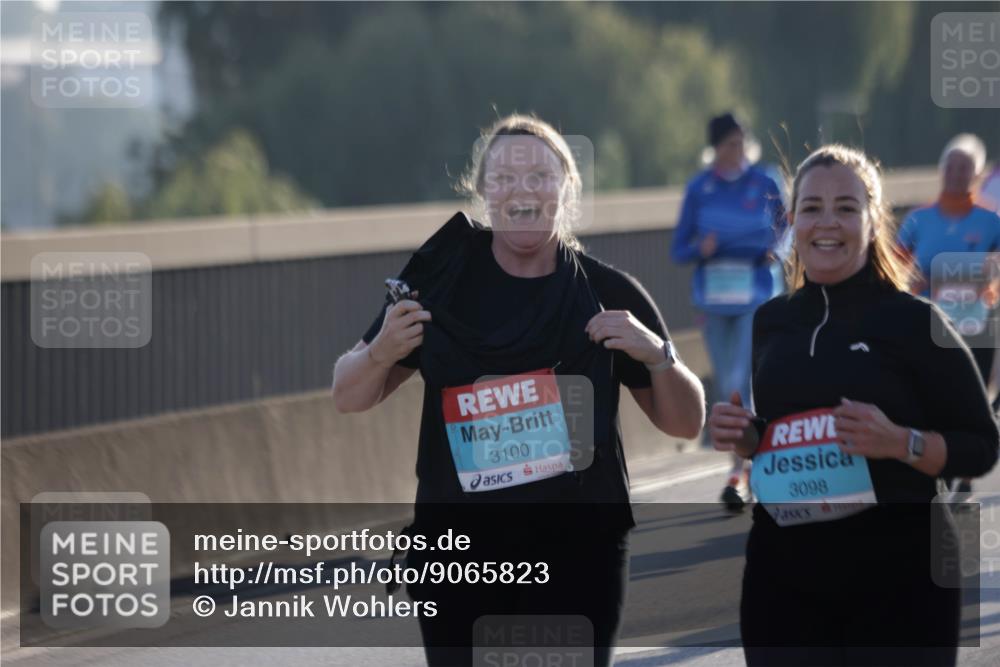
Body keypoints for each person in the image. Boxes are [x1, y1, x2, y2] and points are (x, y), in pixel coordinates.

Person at [332, 114, 705, 667]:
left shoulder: (604, 292)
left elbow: (686, 422)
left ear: (566, 190)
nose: (521, 189)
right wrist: (380, 350)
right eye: (504, 177)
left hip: (578, 554)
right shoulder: (440, 284)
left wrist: (658, 355)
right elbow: (347, 393)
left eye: (539, 175)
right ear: (482, 192)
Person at [708, 144, 998, 666]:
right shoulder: (771, 320)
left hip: (902, 579)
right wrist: (751, 436)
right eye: (812, 207)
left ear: (873, 221)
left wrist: (901, 442)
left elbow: (981, 447)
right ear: (792, 221)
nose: (827, 223)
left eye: (846, 207)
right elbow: (785, 433)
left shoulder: (916, 322)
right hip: (786, 577)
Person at [671, 112, 786, 512]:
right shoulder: (699, 188)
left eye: (740, 142)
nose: (735, 151)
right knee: (726, 384)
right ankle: (747, 465)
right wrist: (700, 250)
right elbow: (678, 248)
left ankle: (740, 472)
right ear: (715, 148)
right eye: (727, 144)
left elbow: (787, 230)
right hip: (714, 301)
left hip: (755, 296)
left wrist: (774, 252)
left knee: (741, 378)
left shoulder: (765, 181)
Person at [897, 134, 1000, 498]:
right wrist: (913, 280)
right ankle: (936, 467)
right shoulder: (918, 219)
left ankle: (968, 475)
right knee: (931, 395)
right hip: (929, 321)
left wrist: (986, 279)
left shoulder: (991, 221)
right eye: (951, 166)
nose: (957, 174)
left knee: (973, 395)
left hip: (975, 321)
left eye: (965, 168)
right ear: (942, 170)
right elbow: (892, 263)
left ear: (976, 175)